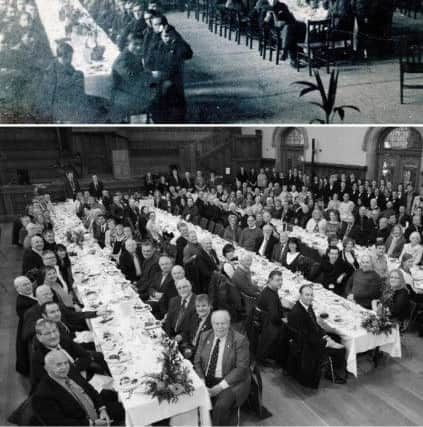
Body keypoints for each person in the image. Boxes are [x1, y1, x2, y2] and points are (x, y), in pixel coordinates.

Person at [32, 349, 124, 426]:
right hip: (82, 423)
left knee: (126, 407)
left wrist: (102, 409)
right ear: (47, 368)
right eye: (58, 365)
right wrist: (92, 424)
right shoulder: (42, 395)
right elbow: (59, 423)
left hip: (97, 412)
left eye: (66, 363)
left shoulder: (70, 372)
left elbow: (90, 390)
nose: (64, 367)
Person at [194, 310, 250, 426]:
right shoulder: (205, 336)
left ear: (229, 323)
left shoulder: (240, 340)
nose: (220, 327)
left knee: (220, 407)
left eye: (223, 323)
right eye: (216, 323)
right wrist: (202, 381)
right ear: (212, 324)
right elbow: (197, 361)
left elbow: (241, 369)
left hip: (230, 381)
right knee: (191, 397)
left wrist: (219, 387)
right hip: (207, 377)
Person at [287, 284, 347, 386]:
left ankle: (333, 369)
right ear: (300, 295)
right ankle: (334, 375)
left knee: (336, 337)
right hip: (307, 347)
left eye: (311, 295)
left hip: (310, 339)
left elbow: (315, 325)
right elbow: (307, 338)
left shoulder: (306, 306)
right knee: (341, 348)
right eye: (307, 295)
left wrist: (325, 336)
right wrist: (327, 342)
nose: (310, 297)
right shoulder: (298, 313)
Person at [149, 25, 193, 123]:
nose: (167, 39)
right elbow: (150, 60)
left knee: (168, 93)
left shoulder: (177, 46)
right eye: (165, 36)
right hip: (157, 77)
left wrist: (177, 40)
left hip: (172, 79)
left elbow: (188, 53)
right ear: (161, 36)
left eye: (170, 36)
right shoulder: (158, 46)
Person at [112, 32, 154, 121]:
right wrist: (152, 76)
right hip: (124, 94)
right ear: (128, 44)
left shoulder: (133, 54)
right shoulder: (123, 60)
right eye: (135, 44)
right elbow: (132, 78)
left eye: (141, 44)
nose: (139, 47)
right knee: (160, 96)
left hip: (131, 90)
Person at [256, 270, 285, 364]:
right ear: (270, 280)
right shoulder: (271, 296)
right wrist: (283, 320)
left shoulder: (269, 290)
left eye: (281, 280)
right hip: (268, 324)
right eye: (277, 280)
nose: (280, 282)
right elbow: (274, 317)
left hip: (264, 320)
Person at [14, 275, 37, 375]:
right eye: (24, 285)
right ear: (18, 289)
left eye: (28, 283)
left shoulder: (30, 294)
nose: (28, 286)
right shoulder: (22, 303)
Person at [180, 293, 212, 360]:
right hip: (188, 348)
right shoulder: (194, 316)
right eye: (198, 306)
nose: (200, 309)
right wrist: (185, 346)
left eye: (204, 306)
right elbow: (186, 332)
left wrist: (191, 351)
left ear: (209, 306)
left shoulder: (213, 323)